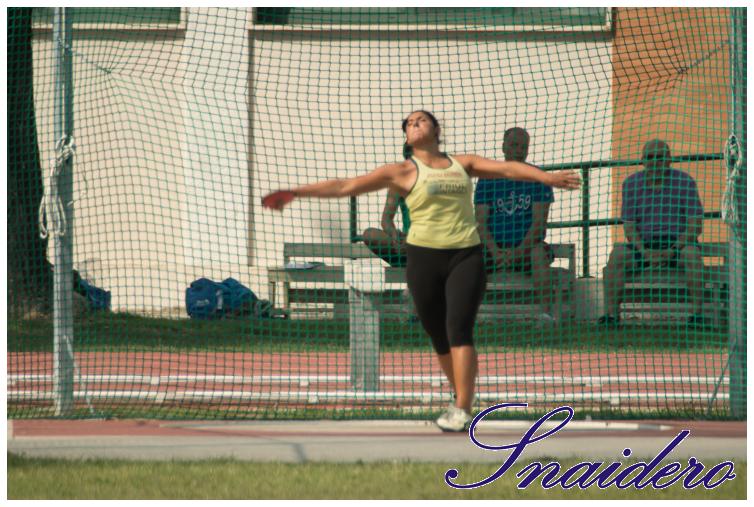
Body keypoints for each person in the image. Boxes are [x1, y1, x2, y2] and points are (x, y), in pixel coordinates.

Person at [262, 110, 580, 431]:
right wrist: (297, 192)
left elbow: (507, 171)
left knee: (458, 329)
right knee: (438, 333)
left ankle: (462, 405)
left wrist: (548, 178)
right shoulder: (398, 173)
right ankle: (458, 392)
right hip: (424, 258)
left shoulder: (461, 165)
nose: (416, 129)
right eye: (411, 127)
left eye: (422, 124)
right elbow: (347, 185)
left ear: (437, 134)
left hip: (459, 254)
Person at [598, 139, 705, 328]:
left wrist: (673, 250)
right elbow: (629, 228)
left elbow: (695, 226)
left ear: (669, 159)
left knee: (692, 255)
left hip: (677, 245)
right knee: (617, 255)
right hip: (644, 244)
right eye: (650, 157)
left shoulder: (685, 182)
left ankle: (697, 316)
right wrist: (644, 251)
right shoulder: (631, 184)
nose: (655, 162)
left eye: (660, 157)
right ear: (643, 160)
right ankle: (611, 316)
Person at [474, 127, 557, 323]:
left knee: (539, 255)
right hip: (494, 248)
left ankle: (546, 315)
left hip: (528, 248)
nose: (519, 151)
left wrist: (519, 252)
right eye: (514, 145)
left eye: (523, 147)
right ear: (503, 147)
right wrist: (495, 251)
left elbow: (539, 224)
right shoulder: (487, 178)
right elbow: (480, 223)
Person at [361, 144, 412, 267]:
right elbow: (386, 220)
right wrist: (395, 236)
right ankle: (404, 264)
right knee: (370, 235)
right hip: (406, 244)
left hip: (430, 243)